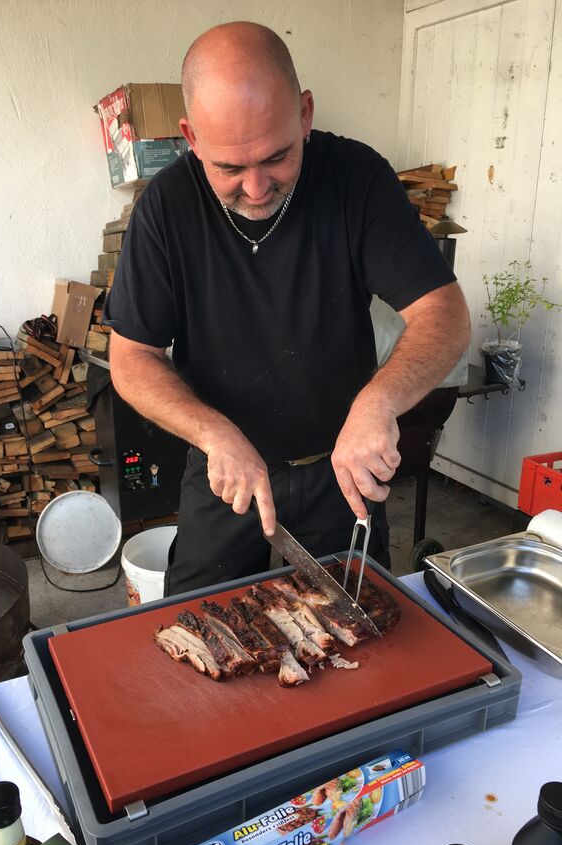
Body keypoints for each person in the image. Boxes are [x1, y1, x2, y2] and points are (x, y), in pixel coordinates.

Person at [104, 21, 471, 595]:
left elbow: (444, 314)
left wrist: (379, 402)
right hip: (225, 474)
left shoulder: (357, 180)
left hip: (341, 472)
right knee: (198, 639)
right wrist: (211, 431)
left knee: (358, 639)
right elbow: (131, 356)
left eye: (276, 157)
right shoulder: (166, 209)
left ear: (304, 113)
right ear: (191, 137)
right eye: (228, 167)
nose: (254, 189)